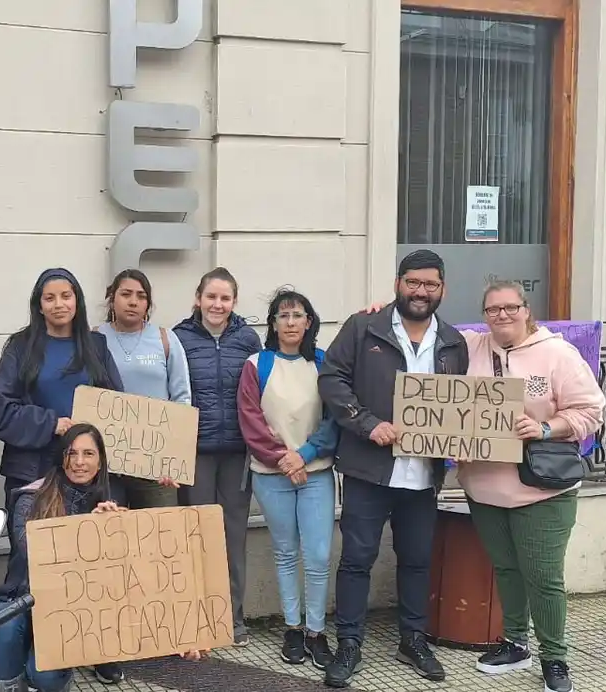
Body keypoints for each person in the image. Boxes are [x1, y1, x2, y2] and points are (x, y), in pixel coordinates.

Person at [317, 249, 468, 687]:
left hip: (423, 475)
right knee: (357, 559)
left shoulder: (454, 342)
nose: (421, 291)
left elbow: (464, 406)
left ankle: (413, 639)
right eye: (413, 282)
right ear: (398, 283)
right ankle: (349, 643)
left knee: (417, 560)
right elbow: (332, 378)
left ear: (442, 289)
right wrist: (368, 424)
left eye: (431, 284)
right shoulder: (364, 327)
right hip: (370, 469)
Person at [456, 281, 603, 692]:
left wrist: (543, 427)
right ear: (484, 315)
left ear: (526, 309)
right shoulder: (471, 347)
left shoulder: (557, 354)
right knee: (506, 568)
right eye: (492, 310)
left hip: (542, 489)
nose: (501, 316)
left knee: (544, 577)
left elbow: (590, 411)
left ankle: (555, 659)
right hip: (484, 485)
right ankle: (515, 643)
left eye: (509, 307)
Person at [0, 423, 206, 692]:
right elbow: (34, 553)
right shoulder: (32, 498)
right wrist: (89, 533)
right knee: (3, 629)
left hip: (72, 612)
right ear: (61, 458)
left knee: (45, 677)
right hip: (24, 599)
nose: (79, 462)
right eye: (72, 453)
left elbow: (151, 563)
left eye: (88, 454)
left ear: (101, 461)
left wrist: (180, 633)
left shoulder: (113, 499)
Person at [0, 267, 126, 684]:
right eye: (50, 297)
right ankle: (32, 643)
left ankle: (97, 647)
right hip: (34, 472)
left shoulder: (96, 345)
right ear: (39, 304)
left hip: (88, 474)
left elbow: (120, 413)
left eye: (67, 296)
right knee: (33, 562)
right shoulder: (21, 346)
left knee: (97, 564)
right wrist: (54, 424)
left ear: (77, 301)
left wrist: (155, 467)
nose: (59, 304)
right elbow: (0, 410)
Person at [236, 288, 339, 669]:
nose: (291, 322)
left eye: (298, 315)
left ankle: (316, 631)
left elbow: (335, 418)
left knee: (316, 555)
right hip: (272, 473)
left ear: (309, 322)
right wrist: (284, 459)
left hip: (315, 473)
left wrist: (304, 456)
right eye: (283, 316)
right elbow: (250, 420)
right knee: (284, 552)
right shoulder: (256, 365)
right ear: (274, 323)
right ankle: (293, 628)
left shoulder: (324, 363)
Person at [172, 267, 263, 647]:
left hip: (237, 455)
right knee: (193, 537)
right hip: (195, 453)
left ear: (234, 302)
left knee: (232, 537)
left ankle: (232, 619)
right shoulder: (178, 338)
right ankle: (194, 620)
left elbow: (263, 391)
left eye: (225, 298)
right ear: (198, 298)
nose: (217, 304)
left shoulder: (248, 338)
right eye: (211, 297)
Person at [96, 268, 191, 508]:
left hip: (157, 466)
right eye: (126, 294)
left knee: (162, 535)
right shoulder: (94, 338)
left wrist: (174, 458)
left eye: (141, 296)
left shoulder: (165, 339)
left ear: (148, 303)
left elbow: (181, 398)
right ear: (112, 298)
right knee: (113, 536)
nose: (133, 301)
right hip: (108, 464)